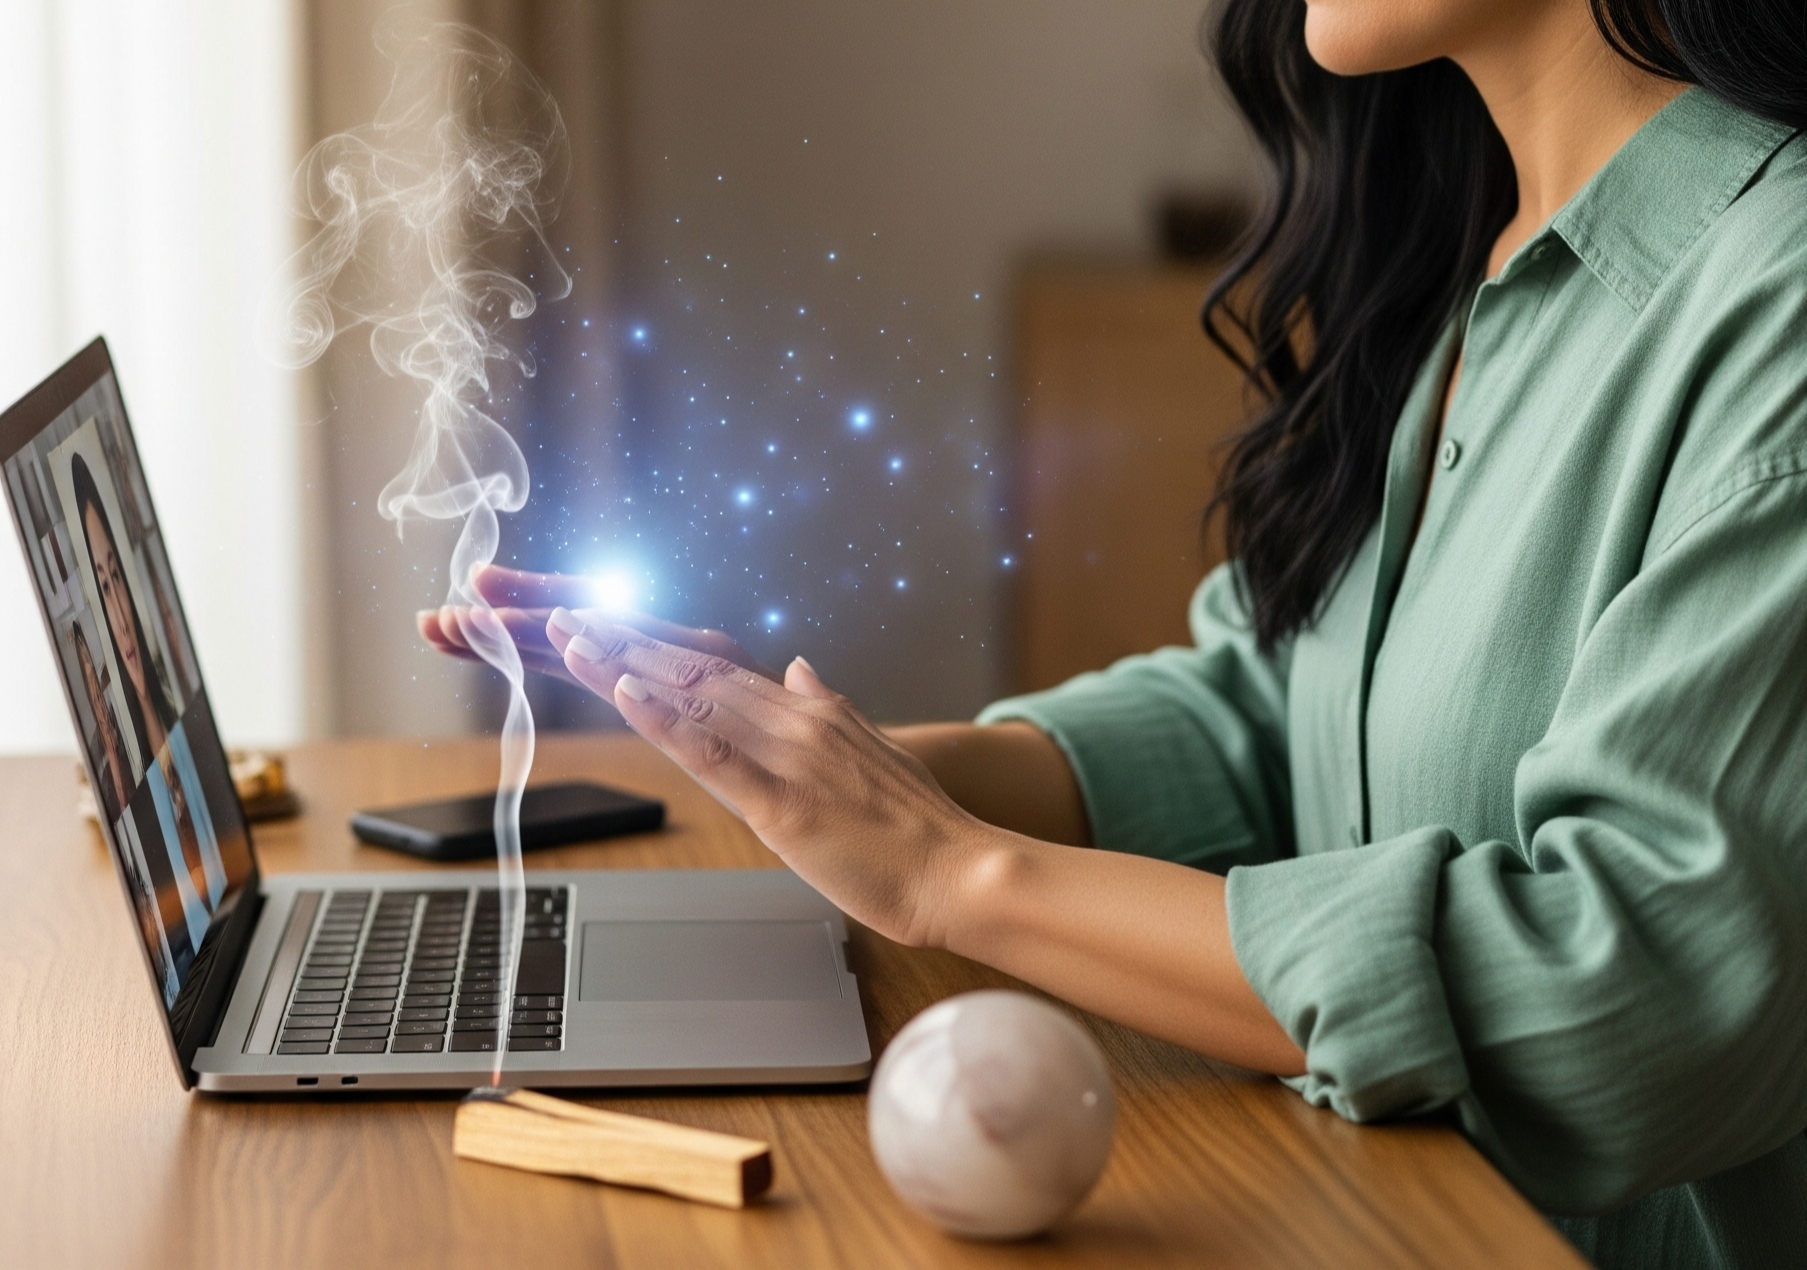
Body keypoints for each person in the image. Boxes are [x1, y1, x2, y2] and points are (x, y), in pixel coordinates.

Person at [420, 0, 1807, 1263]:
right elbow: (1270, 720)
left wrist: (955, 875)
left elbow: (1638, 999)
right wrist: (825, 773)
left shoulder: (1774, 304)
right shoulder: (1475, 256)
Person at [70, 452, 177, 773]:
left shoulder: (175, 714)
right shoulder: (128, 771)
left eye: (116, 576)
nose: (121, 620)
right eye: (104, 587)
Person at [70, 622, 132, 825]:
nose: (99, 698)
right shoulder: (100, 763)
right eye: (94, 695)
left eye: (99, 691)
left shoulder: (125, 726)